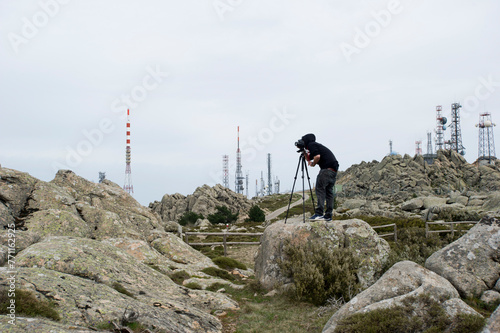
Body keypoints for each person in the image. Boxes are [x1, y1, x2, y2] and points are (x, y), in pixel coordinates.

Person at [301, 133, 339, 221]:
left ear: (306, 140)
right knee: (329, 192)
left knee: (320, 189)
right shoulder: (317, 146)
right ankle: (328, 215)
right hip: (333, 170)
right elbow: (311, 159)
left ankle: (319, 213)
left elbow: (317, 157)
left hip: (326, 170)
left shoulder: (311, 144)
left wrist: (313, 163)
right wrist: (305, 153)